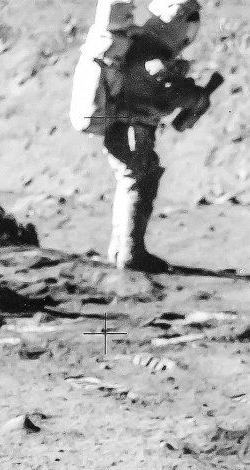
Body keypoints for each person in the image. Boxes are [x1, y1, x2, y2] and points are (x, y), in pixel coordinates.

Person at [100, 0, 211, 272]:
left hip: (128, 128)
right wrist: (194, 97)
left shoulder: (141, 47)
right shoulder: (150, 55)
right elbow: (162, 96)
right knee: (137, 182)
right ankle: (129, 252)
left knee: (139, 180)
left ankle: (122, 249)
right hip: (131, 129)